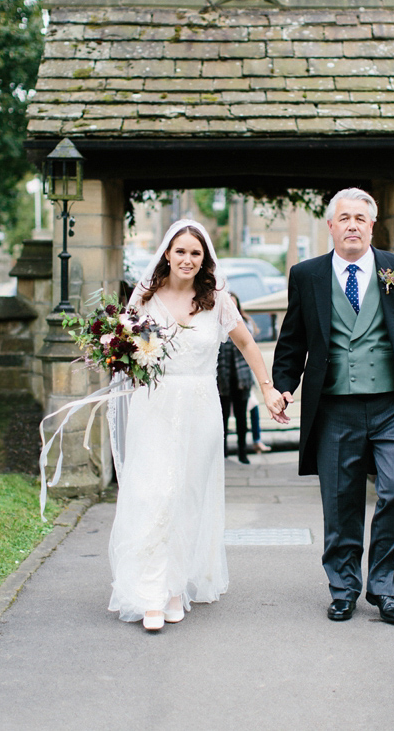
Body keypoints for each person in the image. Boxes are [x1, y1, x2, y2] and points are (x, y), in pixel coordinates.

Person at [270, 188, 394, 626]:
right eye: (344, 217)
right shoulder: (307, 275)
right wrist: (282, 386)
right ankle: (343, 588)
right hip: (335, 407)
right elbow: (293, 338)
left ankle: (385, 588)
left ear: (372, 226)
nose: (352, 225)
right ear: (330, 226)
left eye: (360, 218)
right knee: (340, 501)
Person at [114, 220, 285, 631]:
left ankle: (175, 587)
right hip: (153, 405)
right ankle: (151, 591)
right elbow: (120, 345)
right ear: (166, 255)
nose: (187, 259)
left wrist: (267, 389)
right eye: (180, 251)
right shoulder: (145, 296)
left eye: (196, 253)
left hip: (201, 407)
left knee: (187, 495)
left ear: (204, 259)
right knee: (154, 493)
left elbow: (246, 343)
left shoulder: (217, 301)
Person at [216, 292, 254, 464]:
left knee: (241, 417)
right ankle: (223, 452)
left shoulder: (244, 324)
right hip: (222, 377)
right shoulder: (216, 324)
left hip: (241, 376)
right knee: (222, 418)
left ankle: (242, 451)